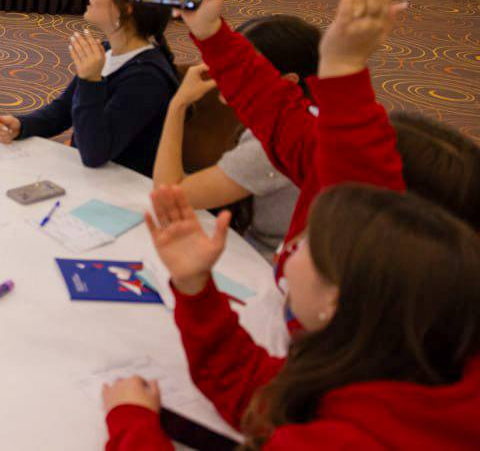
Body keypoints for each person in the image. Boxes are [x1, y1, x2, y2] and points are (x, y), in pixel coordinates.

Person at [176, 0, 480, 353]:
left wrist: (344, 71)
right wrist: (212, 33)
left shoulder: (373, 349)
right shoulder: (335, 187)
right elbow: (273, 109)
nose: (294, 251)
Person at [101, 183, 480, 449]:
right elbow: (260, 391)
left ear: (336, 297)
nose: (290, 246)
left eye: (306, 244)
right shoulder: (403, 367)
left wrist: (133, 424)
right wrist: (194, 286)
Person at [152, 15, 319, 258]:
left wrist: (178, 105)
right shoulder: (312, 115)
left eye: (242, 67)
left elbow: (168, 195)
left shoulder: (271, 144)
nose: (222, 72)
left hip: (271, 263)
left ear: (288, 82)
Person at [0, 0, 179, 176]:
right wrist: (23, 124)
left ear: (127, 8)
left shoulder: (146, 78)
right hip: (95, 177)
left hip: (122, 187)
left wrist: (90, 81)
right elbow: (63, 110)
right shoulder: (108, 50)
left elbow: (94, 153)